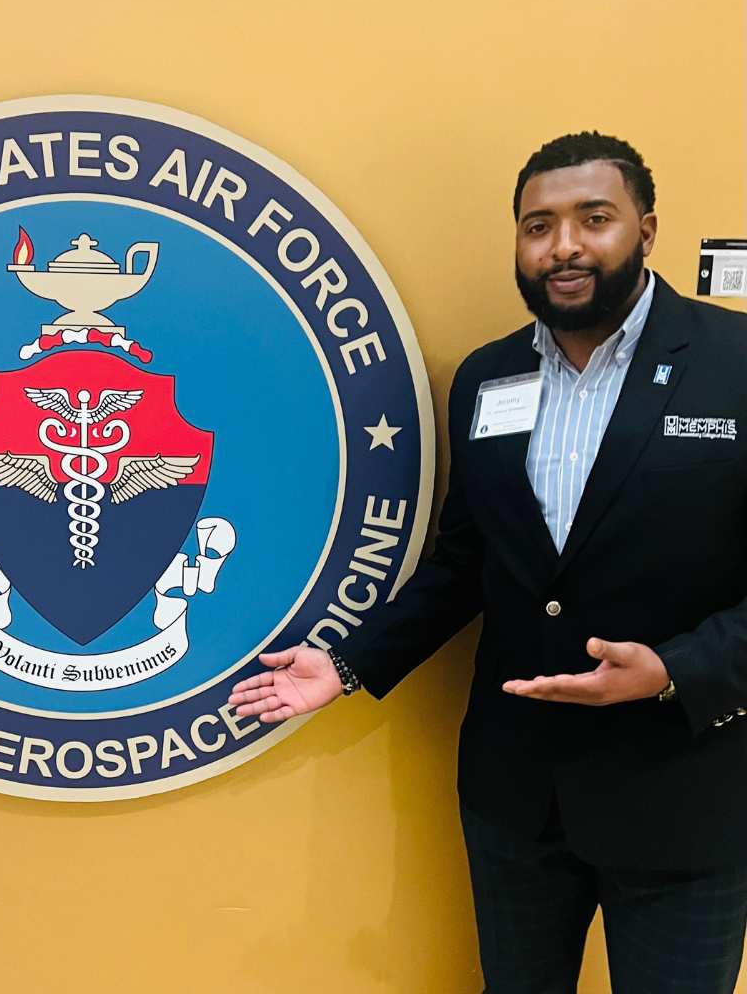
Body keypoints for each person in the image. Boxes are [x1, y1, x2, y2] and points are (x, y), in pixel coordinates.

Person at [229, 132, 747, 993]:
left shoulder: (734, 363)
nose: (564, 246)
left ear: (646, 230)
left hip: (683, 794)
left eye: (594, 218)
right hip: (518, 800)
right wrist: (348, 663)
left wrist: (673, 669)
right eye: (538, 226)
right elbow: (466, 561)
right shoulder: (487, 376)